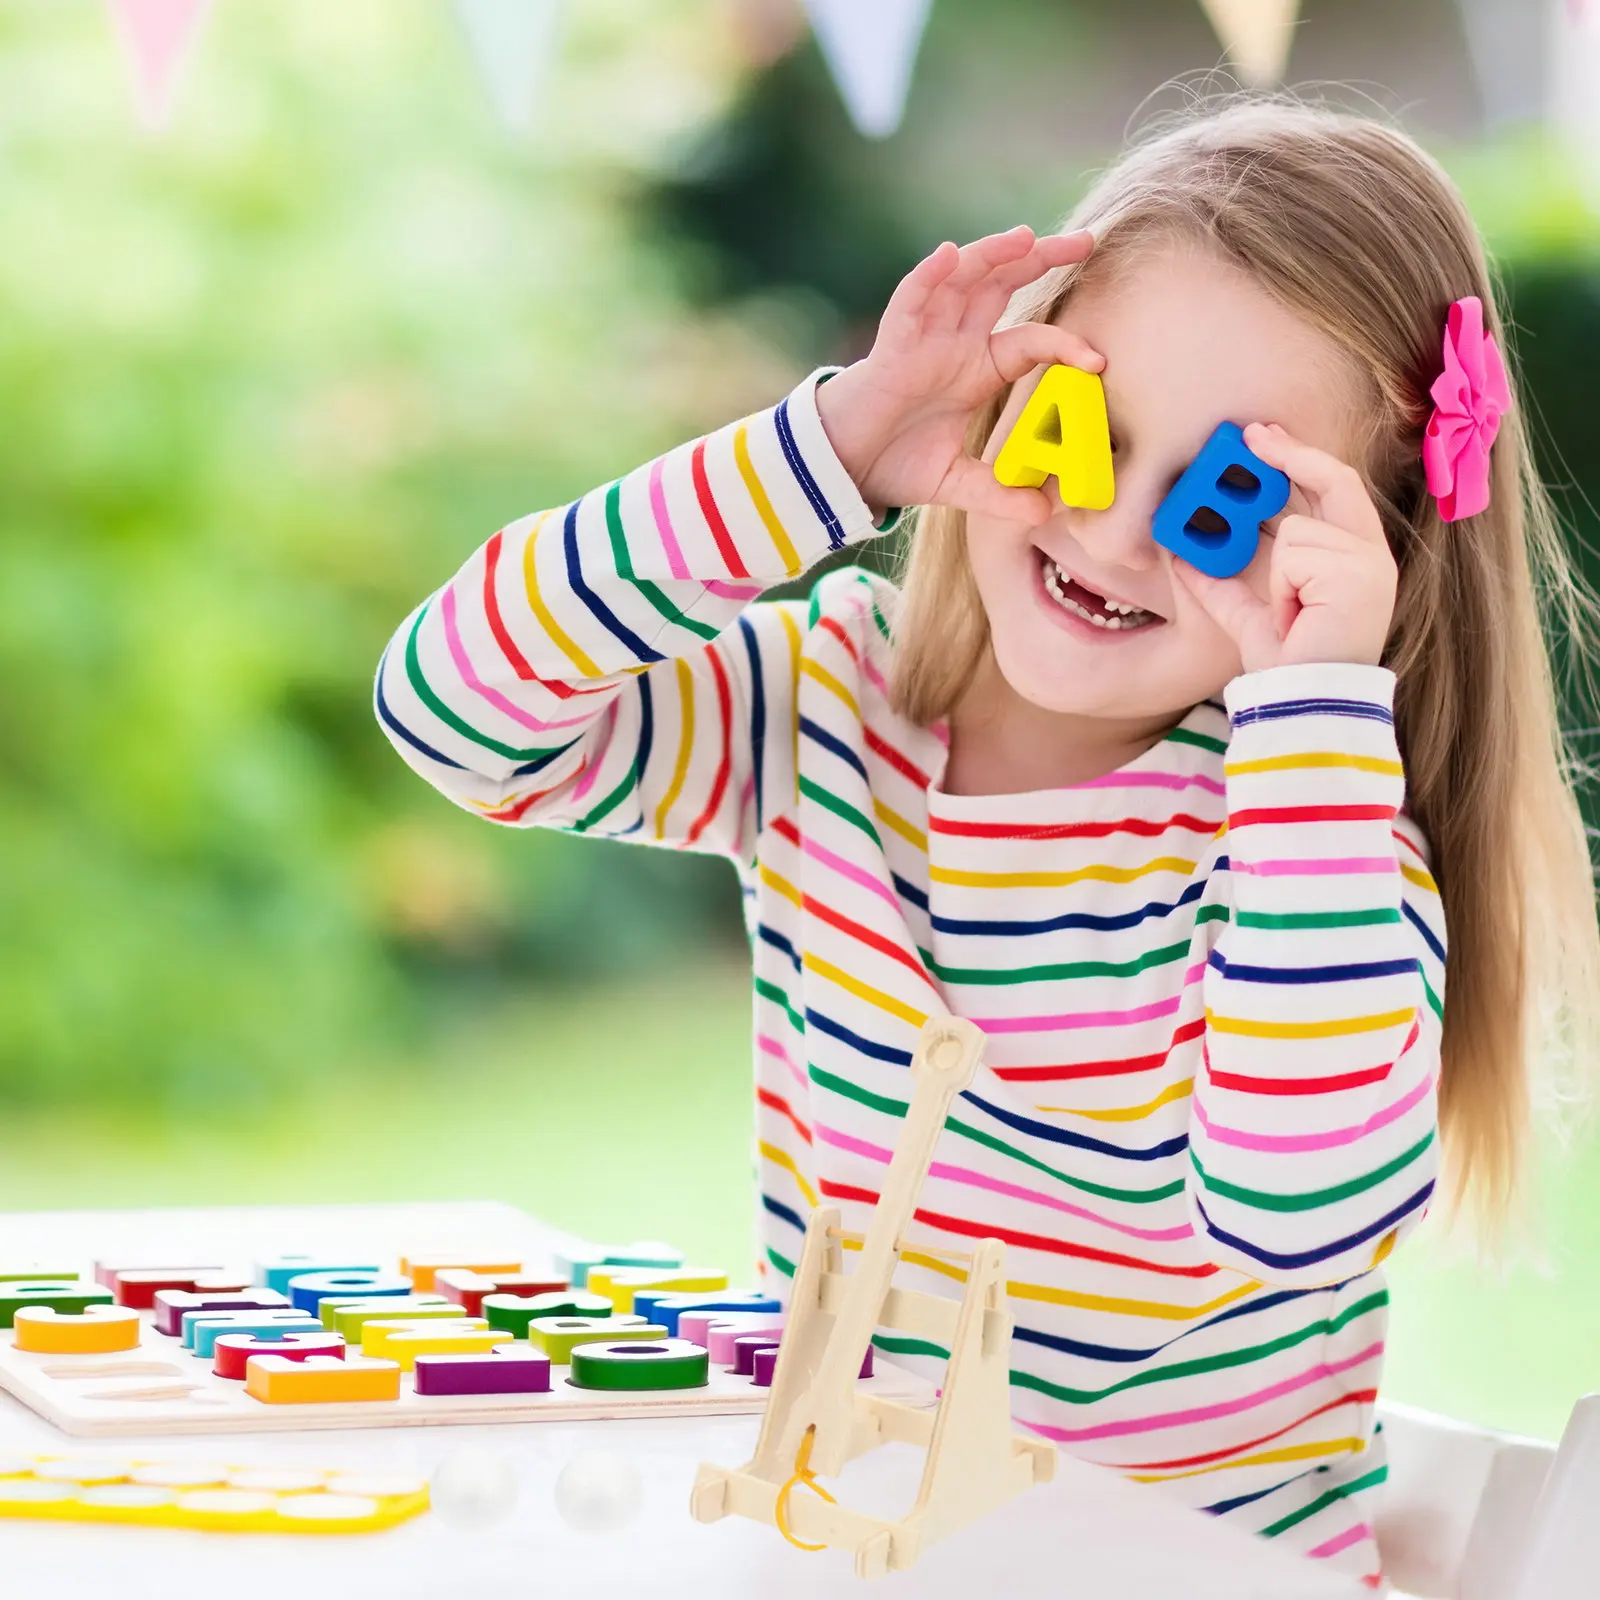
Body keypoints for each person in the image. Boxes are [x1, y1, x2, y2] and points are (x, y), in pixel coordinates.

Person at [374, 97, 1600, 1586]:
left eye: (1231, 502)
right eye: (1080, 436)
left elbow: (1299, 1212)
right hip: (847, 1556)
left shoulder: (1303, 851)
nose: (1113, 534)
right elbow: (455, 706)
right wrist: (818, 452)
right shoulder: (824, 708)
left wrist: (1314, 704)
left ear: (1362, 548)